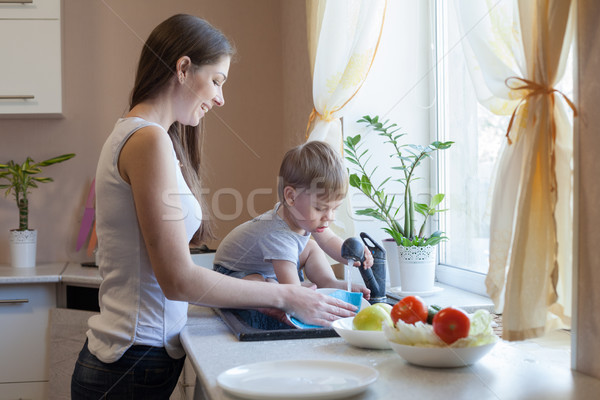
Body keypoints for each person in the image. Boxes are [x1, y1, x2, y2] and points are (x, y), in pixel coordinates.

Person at [71, 14, 358, 399]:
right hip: (129, 361)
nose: (220, 98)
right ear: (184, 69)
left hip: (137, 359)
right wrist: (286, 295)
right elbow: (178, 280)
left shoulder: (148, 138)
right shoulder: (147, 142)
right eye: (217, 81)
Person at [213, 140, 373, 299]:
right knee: (259, 286)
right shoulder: (278, 235)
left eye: (335, 208)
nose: (329, 217)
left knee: (311, 247)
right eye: (320, 208)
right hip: (231, 273)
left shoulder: (298, 215)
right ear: (291, 197)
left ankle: (329, 282)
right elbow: (292, 294)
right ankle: (273, 285)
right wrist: (297, 292)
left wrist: (354, 255)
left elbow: (329, 240)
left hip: (269, 265)